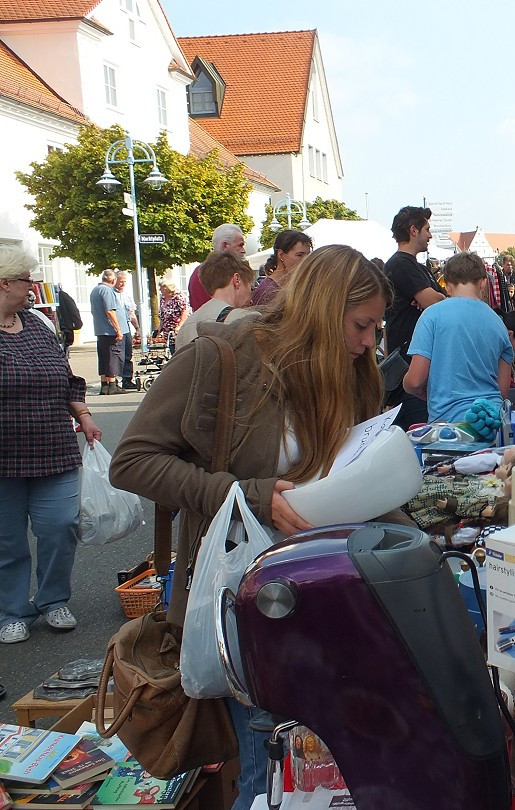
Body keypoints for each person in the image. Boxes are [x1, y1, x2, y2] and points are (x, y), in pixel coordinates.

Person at [110, 244, 416, 810]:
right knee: (267, 772)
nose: (371, 341)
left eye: (375, 327)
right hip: (244, 603)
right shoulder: (223, 356)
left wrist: (416, 541)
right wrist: (247, 496)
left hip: (324, 599)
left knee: (320, 769)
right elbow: (132, 459)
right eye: (362, 325)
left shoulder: (349, 371)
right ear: (325, 313)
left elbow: (350, 473)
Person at [0, 246, 102, 645]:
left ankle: (52, 599)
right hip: (4, 457)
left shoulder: (39, 324)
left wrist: (85, 415)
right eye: (27, 279)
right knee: (7, 541)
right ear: (4, 282)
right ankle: (12, 610)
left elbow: (67, 376)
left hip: (53, 447)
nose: (33, 286)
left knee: (62, 526)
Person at [403, 252, 514, 424]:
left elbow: (416, 380)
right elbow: (503, 390)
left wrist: (409, 385)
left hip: (448, 429)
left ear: (447, 287)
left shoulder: (431, 316)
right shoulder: (499, 324)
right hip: (491, 423)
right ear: (483, 283)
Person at [384, 205, 444, 429]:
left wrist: (432, 298)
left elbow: (441, 299)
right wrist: (431, 298)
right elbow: (437, 302)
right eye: (426, 229)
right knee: (420, 434)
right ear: (413, 230)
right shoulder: (400, 264)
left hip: (416, 365)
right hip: (408, 368)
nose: (429, 235)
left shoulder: (417, 266)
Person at [174, 251, 255, 350]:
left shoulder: (186, 327)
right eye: (251, 287)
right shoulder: (248, 320)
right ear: (237, 280)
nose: (251, 295)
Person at [188, 224, 246, 311]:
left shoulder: (199, 272)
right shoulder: (220, 273)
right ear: (225, 246)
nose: (243, 250)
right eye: (240, 245)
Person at [250, 230, 313, 306]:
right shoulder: (266, 291)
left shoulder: (302, 285)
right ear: (281, 254)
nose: (306, 260)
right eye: (299, 255)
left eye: (308, 255)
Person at [89, 269, 123, 395]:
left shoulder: (95, 290)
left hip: (99, 328)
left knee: (103, 356)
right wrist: (118, 329)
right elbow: (110, 311)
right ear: (113, 280)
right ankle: (112, 384)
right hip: (108, 329)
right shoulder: (107, 290)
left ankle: (104, 385)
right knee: (112, 356)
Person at [115, 272, 140, 390]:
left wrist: (137, 328)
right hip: (116, 329)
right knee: (117, 355)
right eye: (120, 281)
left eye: (124, 282)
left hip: (126, 328)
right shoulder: (111, 294)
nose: (122, 284)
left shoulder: (126, 296)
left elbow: (131, 313)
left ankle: (127, 379)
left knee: (128, 355)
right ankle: (115, 380)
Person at [56, 286, 82, 358]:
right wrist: (78, 324)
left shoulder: (62, 296)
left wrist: (78, 324)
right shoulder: (63, 296)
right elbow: (74, 310)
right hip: (64, 329)